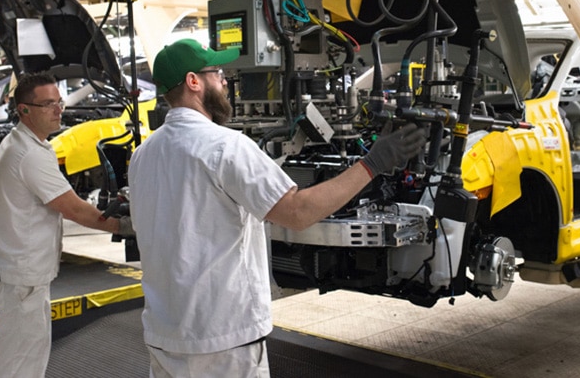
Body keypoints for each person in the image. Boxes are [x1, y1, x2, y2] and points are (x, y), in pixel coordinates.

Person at [128, 38, 426, 377]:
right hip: (221, 341)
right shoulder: (225, 147)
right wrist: (373, 163)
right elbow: (297, 213)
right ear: (194, 81)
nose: (225, 81)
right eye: (218, 73)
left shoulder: (143, 155)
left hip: (164, 335)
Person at [0, 72, 133, 378]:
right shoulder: (29, 154)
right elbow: (73, 208)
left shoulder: (22, 143)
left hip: (17, 271)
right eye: (47, 104)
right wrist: (124, 225)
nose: (58, 109)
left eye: (58, 102)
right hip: (23, 275)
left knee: (22, 355)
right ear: (24, 110)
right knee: (19, 362)